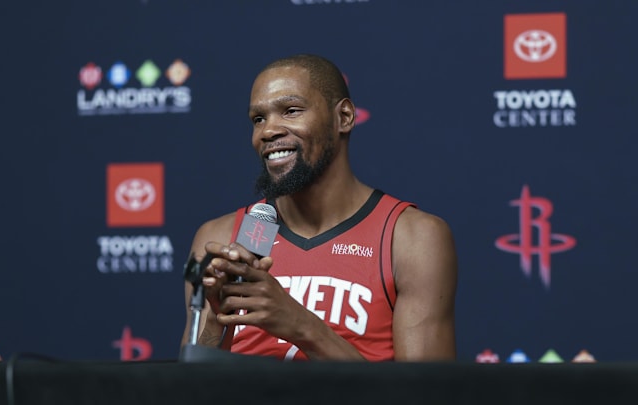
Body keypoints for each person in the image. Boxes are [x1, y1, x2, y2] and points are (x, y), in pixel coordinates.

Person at [182, 54, 457, 361]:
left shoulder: (411, 238)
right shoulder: (222, 236)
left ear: (344, 117)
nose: (268, 131)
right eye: (258, 119)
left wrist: (302, 326)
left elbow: (423, 394)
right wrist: (216, 321)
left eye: (291, 111)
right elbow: (191, 388)